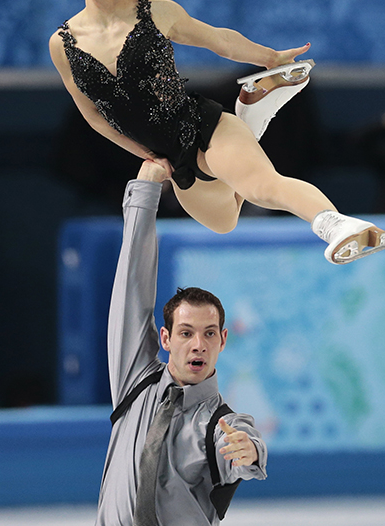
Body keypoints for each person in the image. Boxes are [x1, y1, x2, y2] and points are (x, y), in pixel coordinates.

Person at [49, 0, 385, 264]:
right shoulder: (61, 44)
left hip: (203, 127)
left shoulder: (157, 13)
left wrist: (270, 58)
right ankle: (254, 112)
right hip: (172, 158)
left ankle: (337, 225)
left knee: (261, 186)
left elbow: (220, 40)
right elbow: (94, 116)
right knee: (224, 222)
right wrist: (149, 156)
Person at [95, 157, 267, 526]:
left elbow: (242, 447)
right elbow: (133, 284)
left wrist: (250, 451)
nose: (198, 345)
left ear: (223, 340)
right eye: (186, 333)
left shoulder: (221, 422)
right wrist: (145, 193)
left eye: (209, 334)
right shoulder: (137, 380)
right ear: (166, 338)